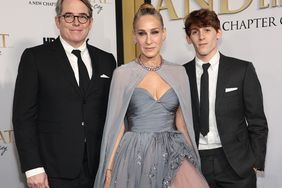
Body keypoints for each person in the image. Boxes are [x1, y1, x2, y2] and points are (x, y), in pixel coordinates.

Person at [94, 3, 209, 188]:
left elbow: (182, 123)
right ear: (134, 36)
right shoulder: (123, 74)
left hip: (173, 152)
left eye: (154, 32)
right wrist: (108, 169)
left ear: (164, 33)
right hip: (135, 154)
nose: (149, 41)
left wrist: (194, 160)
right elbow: (116, 127)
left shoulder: (178, 72)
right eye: (142, 33)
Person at [12, 0, 116, 187]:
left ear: (90, 22)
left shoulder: (107, 60)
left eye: (82, 17)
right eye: (69, 16)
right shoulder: (35, 58)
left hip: (98, 170)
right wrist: (33, 168)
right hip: (52, 172)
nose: (76, 22)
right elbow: (23, 117)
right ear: (58, 20)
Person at [183, 9, 268, 188]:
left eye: (207, 30)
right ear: (188, 38)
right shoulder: (181, 75)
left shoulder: (241, 70)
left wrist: (254, 162)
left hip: (236, 164)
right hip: (195, 163)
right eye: (195, 32)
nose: (201, 37)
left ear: (218, 33)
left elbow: (257, 122)